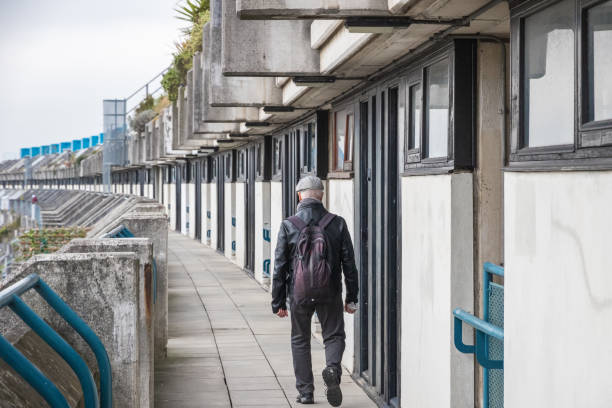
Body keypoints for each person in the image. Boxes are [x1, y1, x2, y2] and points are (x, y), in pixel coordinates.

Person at [272, 175, 359, 406]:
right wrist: (352, 298)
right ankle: (332, 369)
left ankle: (305, 393)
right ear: (321, 195)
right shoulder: (337, 223)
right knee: (334, 335)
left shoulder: (289, 224)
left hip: (298, 293)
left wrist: (278, 301)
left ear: (300, 196)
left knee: (300, 340)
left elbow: (279, 266)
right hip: (329, 291)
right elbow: (349, 264)